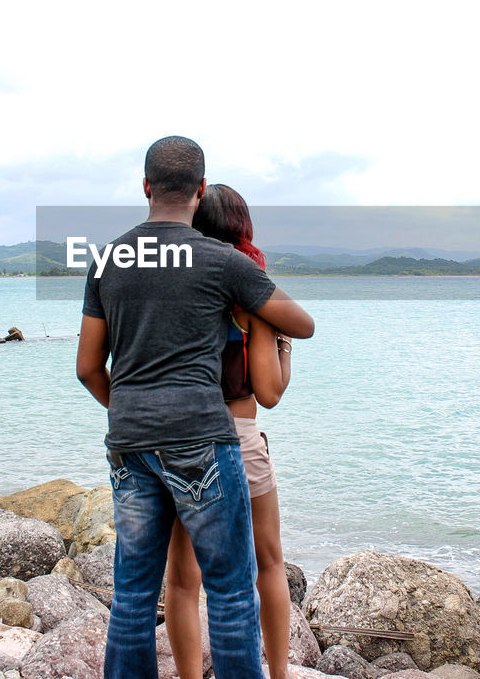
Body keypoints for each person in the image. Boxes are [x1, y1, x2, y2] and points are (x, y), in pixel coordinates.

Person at [76, 136, 315, 679]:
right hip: (203, 439)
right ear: (200, 190)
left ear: (145, 188)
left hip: (130, 442)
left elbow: (89, 367)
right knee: (231, 593)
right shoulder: (222, 261)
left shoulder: (106, 259)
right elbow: (303, 323)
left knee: (135, 597)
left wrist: (131, 409)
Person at [164, 184, 295, 679]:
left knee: (182, 580)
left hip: (180, 438)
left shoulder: (178, 291)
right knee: (268, 564)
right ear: (243, 228)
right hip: (237, 437)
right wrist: (282, 342)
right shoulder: (249, 294)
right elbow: (270, 393)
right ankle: (279, 674)